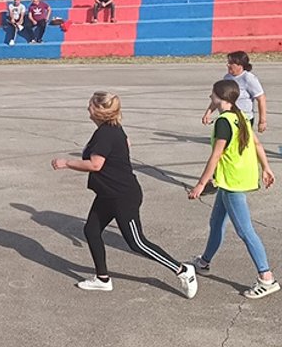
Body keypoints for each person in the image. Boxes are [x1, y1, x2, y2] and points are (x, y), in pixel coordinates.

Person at [51, 91, 197, 298]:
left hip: (122, 196)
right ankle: (102, 279)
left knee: (136, 242)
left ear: (100, 111)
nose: (87, 108)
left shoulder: (105, 133)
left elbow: (95, 164)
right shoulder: (111, 128)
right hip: (107, 194)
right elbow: (126, 143)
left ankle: (182, 270)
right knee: (91, 230)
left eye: (90, 105)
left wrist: (66, 163)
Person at [188, 80, 279, 299]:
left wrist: (201, 184)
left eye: (212, 94)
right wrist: (266, 168)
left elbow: (216, 155)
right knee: (216, 222)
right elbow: (257, 144)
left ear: (220, 97)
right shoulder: (240, 117)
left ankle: (266, 278)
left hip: (232, 183)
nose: (210, 97)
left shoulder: (223, 122)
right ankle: (204, 261)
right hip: (235, 179)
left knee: (245, 230)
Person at [202, 51, 268, 133]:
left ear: (240, 65)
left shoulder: (248, 78)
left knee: (237, 142)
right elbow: (220, 97)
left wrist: (262, 121)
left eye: (230, 63)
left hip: (244, 118)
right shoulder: (227, 78)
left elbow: (261, 98)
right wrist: (208, 113)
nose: (227, 65)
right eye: (228, 62)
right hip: (229, 117)